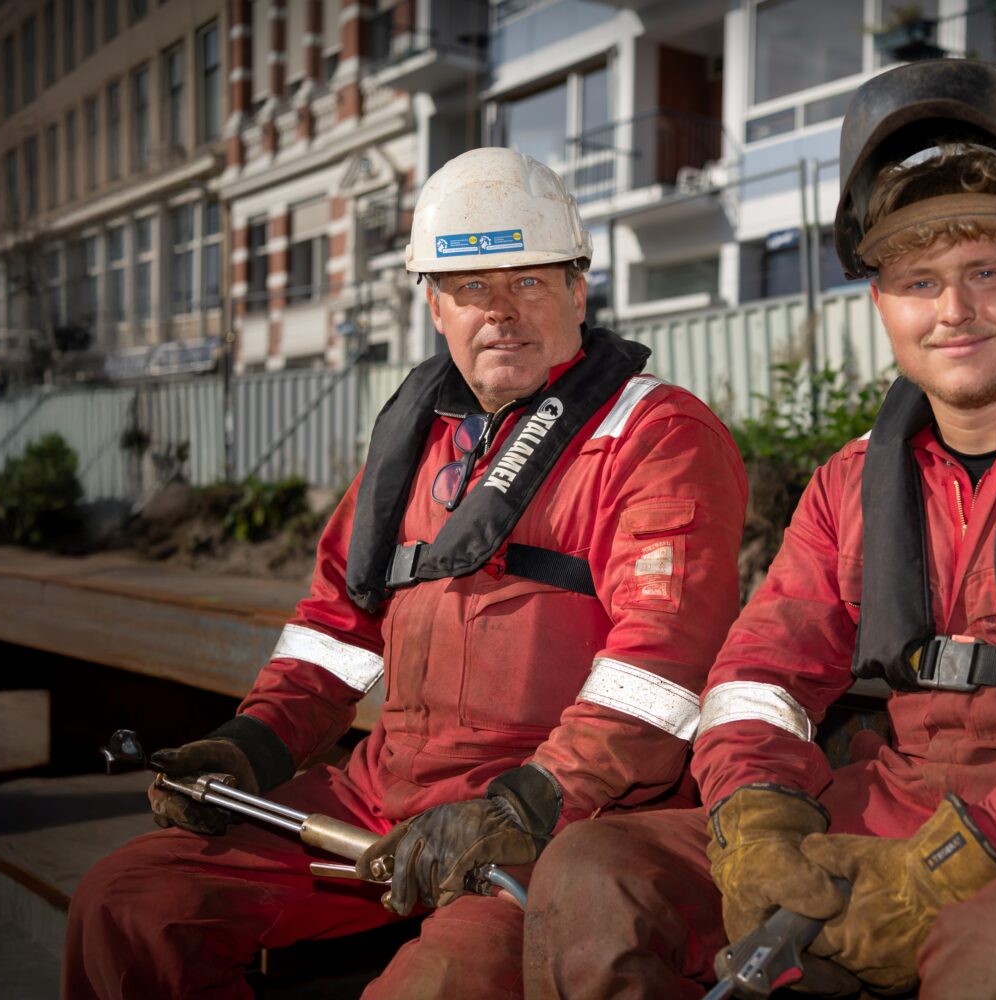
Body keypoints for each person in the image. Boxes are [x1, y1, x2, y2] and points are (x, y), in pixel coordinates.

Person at [524, 59, 996, 999]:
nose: (953, 310)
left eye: (984, 272)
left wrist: (963, 860)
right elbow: (758, 675)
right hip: (890, 811)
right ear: (881, 306)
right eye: (917, 280)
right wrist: (757, 821)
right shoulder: (849, 486)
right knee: (596, 873)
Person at [63, 147, 748, 1000]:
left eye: (529, 282)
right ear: (433, 304)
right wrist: (251, 744)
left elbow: (660, 668)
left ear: (579, 289)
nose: (501, 311)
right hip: (383, 799)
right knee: (130, 904)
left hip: (559, 819)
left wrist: (527, 803)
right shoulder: (415, 444)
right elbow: (333, 630)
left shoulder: (657, 437)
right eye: (471, 288)